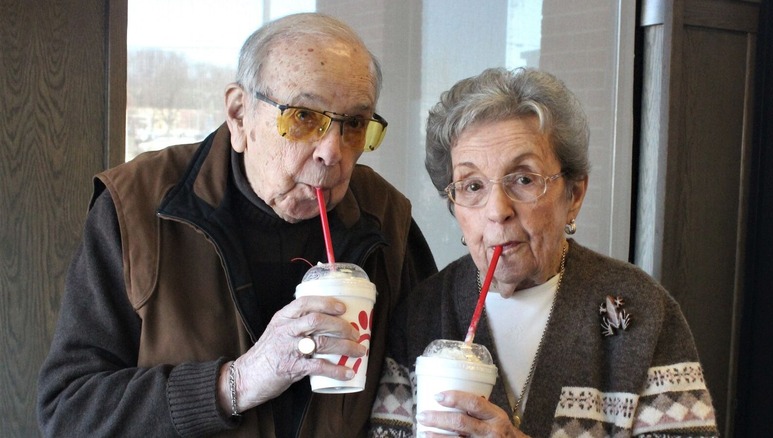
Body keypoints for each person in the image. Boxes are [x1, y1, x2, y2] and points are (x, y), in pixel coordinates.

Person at [37, 13, 437, 438]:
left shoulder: (385, 215)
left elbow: (418, 383)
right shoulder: (137, 206)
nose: (331, 152)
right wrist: (240, 381)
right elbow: (67, 411)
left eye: (354, 124)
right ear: (239, 114)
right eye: (303, 116)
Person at [369, 67, 719, 437]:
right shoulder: (422, 315)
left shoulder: (641, 312)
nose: (496, 210)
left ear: (574, 196)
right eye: (472, 185)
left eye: (523, 179)